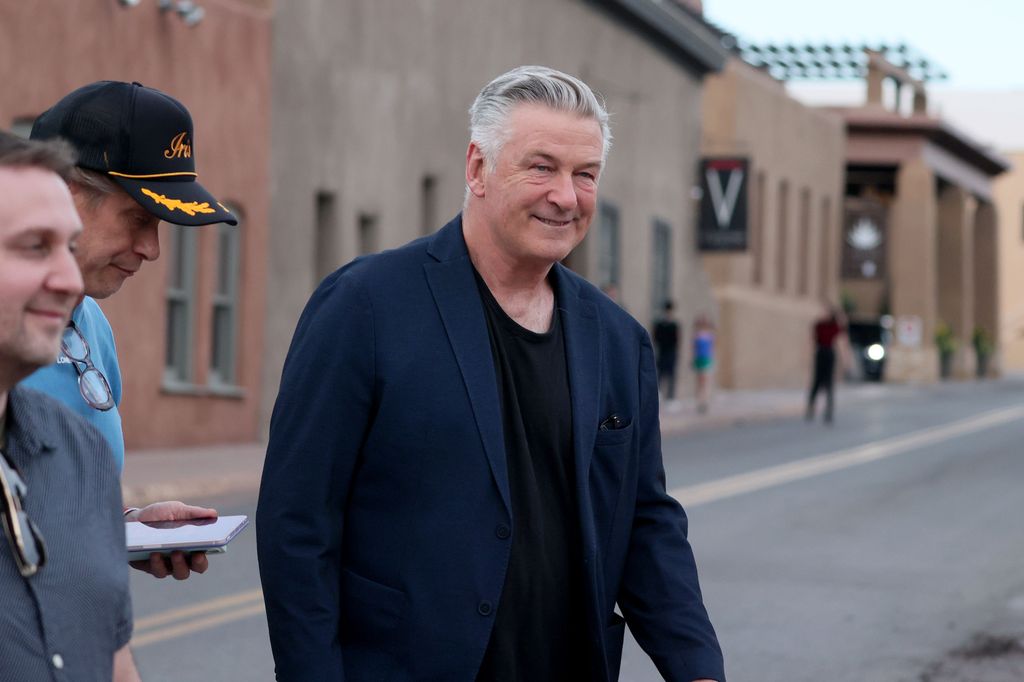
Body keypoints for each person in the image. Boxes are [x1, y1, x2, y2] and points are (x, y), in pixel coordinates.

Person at [258, 66, 724, 682]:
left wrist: (698, 669)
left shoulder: (618, 340)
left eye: (585, 175)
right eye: (542, 167)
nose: (566, 195)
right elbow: (298, 522)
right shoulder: (365, 305)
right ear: (478, 169)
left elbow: (645, 521)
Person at [25, 80, 233, 579]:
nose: (152, 248)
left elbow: (53, 506)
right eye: (137, 217)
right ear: (64, 196)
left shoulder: (92, 324)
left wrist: (128, 527)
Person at [0, 131, 141, 681]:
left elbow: (114, 662)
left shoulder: (82, 454)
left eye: (68, 246)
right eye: (36, 246)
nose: (66, 280)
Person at [806, 306, 846, 424]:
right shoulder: (818, 325)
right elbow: (812, 340)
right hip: (820, 353)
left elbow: (841, 340)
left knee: (829, 383)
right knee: (816, 382)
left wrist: (845, 359)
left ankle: (829, 411)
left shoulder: (834, 326)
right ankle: (811, 407)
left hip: (829, 353)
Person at [653, 299, 681, 403]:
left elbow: (677, 340)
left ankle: (671, 397)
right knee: (660, 375)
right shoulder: (659, 324)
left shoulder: (674, 325)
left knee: (671, 375)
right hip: (662, 352)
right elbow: (656, 338)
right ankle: (659, 394)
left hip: (671, 353)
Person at [693, 314, 716, 414]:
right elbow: (694, 349)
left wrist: (713, 360)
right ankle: (700, 401)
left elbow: (713, 349)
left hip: (707, 359)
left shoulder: (710, 335)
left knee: (706, 382)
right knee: (700, 383)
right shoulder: (697, 335)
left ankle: (705, 401)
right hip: (699, 359)